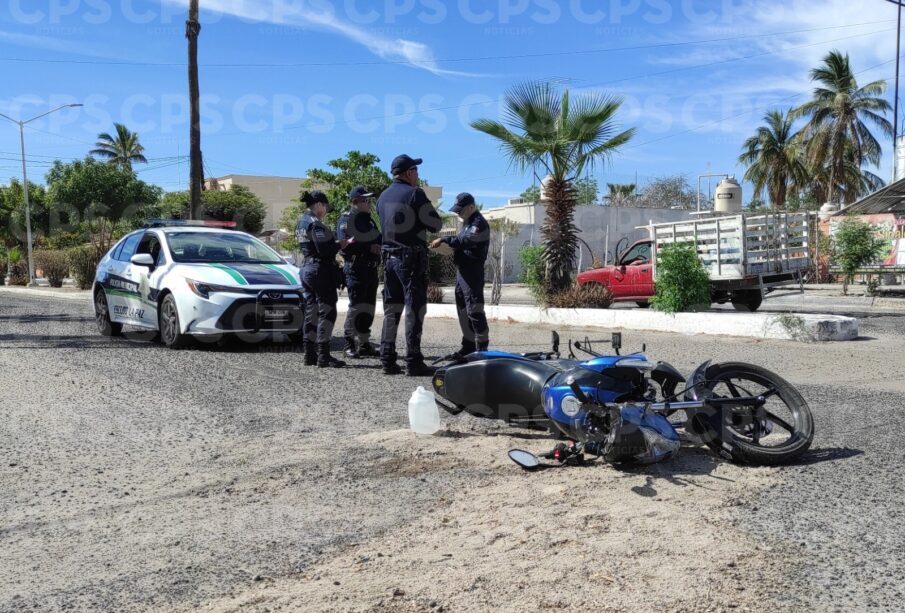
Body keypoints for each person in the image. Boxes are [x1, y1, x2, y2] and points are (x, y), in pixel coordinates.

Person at [377, 154, 443, 376]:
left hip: (389, 260)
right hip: (410, 260)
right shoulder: (415, 193)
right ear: (408, 173)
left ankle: (387, 359)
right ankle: (413, 362)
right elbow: (435, 224)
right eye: (415, 170)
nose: (418, 174)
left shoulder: (382, 197)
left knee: (391, 311)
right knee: (414, 310)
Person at [430, 192, 490, 357]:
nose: (458, 213)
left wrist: (444, 240)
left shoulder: (479, 224)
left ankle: (482, 350)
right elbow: (460, 240)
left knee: (474, 310)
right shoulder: (467, 223)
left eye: (461, 210)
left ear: (471, 207)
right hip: (462, 271)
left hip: (472, 272)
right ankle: (468, 346)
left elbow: (464, 241)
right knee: (463, 311)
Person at [295, 190, 347, 368]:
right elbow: (324, 251)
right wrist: (341, 244)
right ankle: (323, 355)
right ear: (317, 204)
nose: (325, 210)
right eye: (325, 206)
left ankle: (309, 354)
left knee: (311, 311)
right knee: (327, 311)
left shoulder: (301, 222)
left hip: (307, 269)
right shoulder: (314, 223)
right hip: (318, 270)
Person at [336, 185, 381, 359]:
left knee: (368, 307)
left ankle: (364, 343)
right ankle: (349, 343)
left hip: (370, 268)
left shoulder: (368, 220)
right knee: (356, 307)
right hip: (355, 268)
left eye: (369, 200)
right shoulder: (346, 220)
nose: (368, 203)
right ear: (356, 202)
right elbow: (346, 244)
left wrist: (377, 245)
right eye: (365, 200)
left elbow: (379, 238)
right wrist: (369, 247)